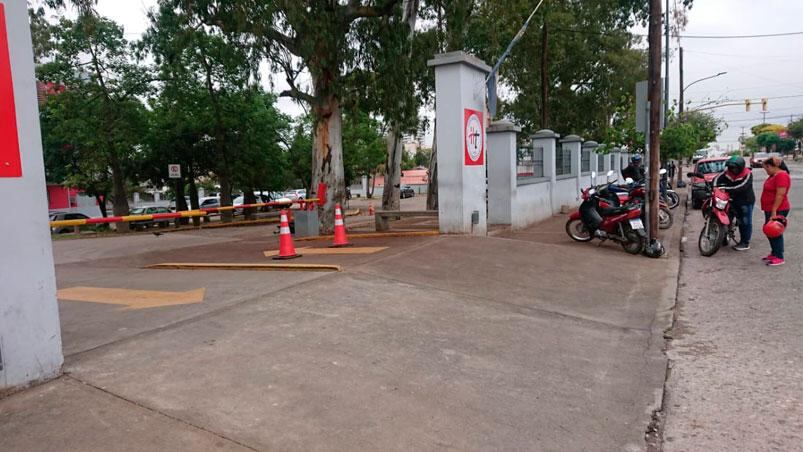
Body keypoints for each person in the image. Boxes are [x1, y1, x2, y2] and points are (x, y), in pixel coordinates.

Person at [712, 156, 755, 251]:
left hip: (745, 201)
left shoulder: (747, 174)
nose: (732, 170)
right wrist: (714, 187)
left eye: (734, 168)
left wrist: (726, 189)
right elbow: (716, 179)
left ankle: (745, 242)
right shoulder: (727, 173)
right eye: (730, 168)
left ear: (740, 167)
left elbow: (742, 187)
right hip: (731, 200)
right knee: (727, 217)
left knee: (745, 222)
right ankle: (723, 236)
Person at [760, 156, 791, 266]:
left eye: (767, 168)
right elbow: (763, 163)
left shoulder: (782, 175)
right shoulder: (774, 175)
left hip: (779, 209)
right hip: (770, 209)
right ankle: (774, 253)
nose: (766, 170)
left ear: (773, 167)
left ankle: (779, 256)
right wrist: (771, 158)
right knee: (769, 231)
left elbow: (780, 194)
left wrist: (774, 211)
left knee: (774, 232)